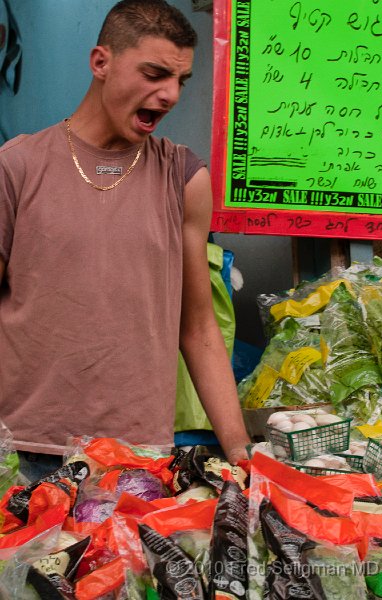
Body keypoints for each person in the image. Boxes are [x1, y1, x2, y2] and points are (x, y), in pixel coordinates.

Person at [0, 0, 250, 480]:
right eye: (154, 73)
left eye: (181, 80)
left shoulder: (183, 177)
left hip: (138, 459)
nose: (171, 94)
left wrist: (241, 452)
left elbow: (198, 328)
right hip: (27, 450)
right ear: (101, 63)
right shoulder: (19, 167)